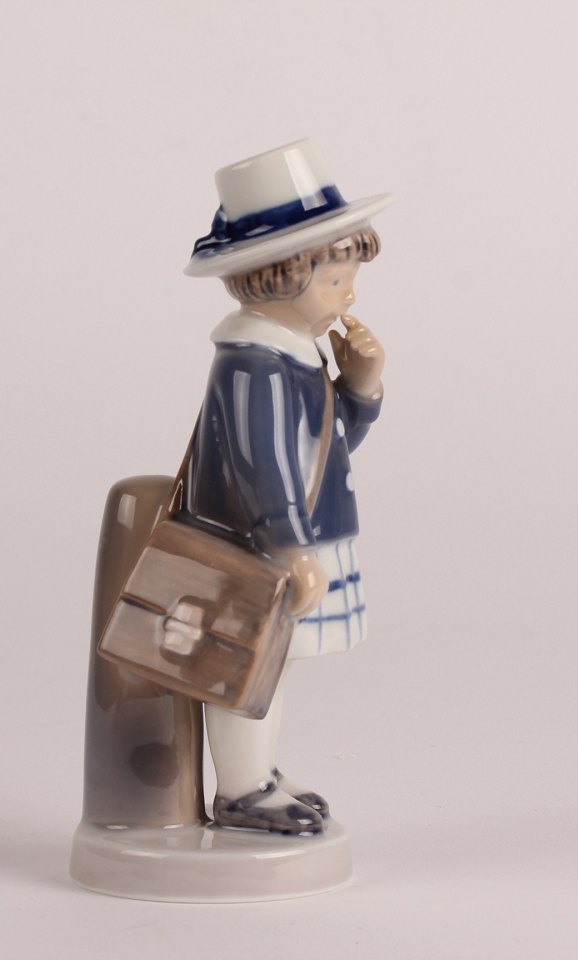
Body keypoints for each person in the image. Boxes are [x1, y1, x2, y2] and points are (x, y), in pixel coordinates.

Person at [182, 139, 391, 835]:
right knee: (247, 667)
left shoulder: (293, 356)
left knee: (271, 665)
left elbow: (322, 451)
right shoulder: (255, 363)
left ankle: (256, 776)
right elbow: (263, 463)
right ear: (279, 280)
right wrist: (291, 547)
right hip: (257, 549)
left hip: (286, 541)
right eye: (335, 281)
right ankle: (241, 790)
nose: (349, 295)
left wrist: (359, 388)